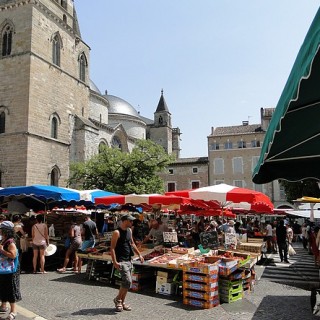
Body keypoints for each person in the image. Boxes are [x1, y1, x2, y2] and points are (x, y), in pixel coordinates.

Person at [110, 214, 144, 312]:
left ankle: (121, 301)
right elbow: (112, 248)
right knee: (128, 281)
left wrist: (139, 255)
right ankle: (118, 300)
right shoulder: (117, 232)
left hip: (129, 259)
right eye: (130, 221)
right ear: (125, 221)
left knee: (127, 283)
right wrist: (115, 261)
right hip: (121, 260)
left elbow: (132, 243)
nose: (132, 223)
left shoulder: (129, 230)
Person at [0, 221, 22, 320]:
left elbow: (13, 255)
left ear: (5, 230)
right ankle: (3, 306)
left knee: (10, 289)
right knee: (3, 287)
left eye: (1, 229)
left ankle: (13, 311)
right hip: (4, 269)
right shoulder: (4, 239)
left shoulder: (10, 242)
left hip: (11, 270)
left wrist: (2, 250)